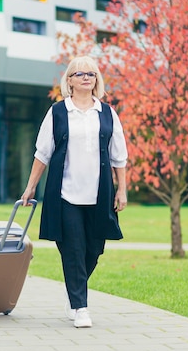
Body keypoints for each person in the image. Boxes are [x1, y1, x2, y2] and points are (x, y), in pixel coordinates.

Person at [21, 55, 128, 328]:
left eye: (91, 74)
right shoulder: (57, 112)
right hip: (65, 194)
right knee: (73, 249)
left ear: (96, 80)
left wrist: (122, 191)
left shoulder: (107, 113)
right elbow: (42, 153)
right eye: (79, 74)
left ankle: (73, 292)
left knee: (94, 249)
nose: (86, 78)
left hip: (99, 194)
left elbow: (119, 156)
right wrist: (31, 186)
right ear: (69, 80)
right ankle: (80, 307)